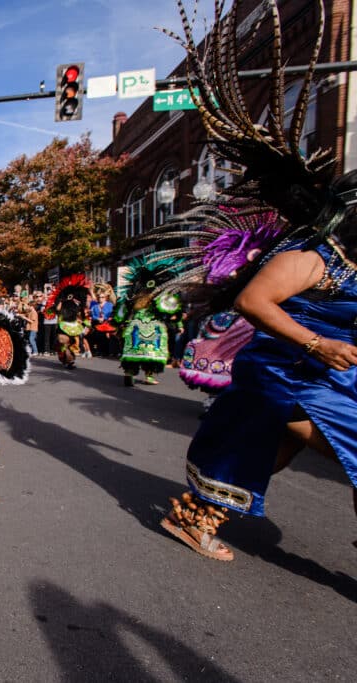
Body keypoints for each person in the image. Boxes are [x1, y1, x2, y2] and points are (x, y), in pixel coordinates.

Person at [153, 4, 357, 561]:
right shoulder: (315, 254)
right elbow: (251, 299)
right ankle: (197, 513)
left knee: (284, 443)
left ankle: (199, 513)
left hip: (324, 374)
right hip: (290, 370)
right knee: (266, 441)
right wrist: (320, 343)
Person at [113, 257, 184, 387]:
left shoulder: (134, 297)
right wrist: (178, 323)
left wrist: (120, 325)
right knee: (151, 352)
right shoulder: (160, 297)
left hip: (134, 326)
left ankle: (129, 372)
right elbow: (171, 310)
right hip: (154, 327)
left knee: (132, 350)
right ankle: (149, 376)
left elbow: (122, 312)